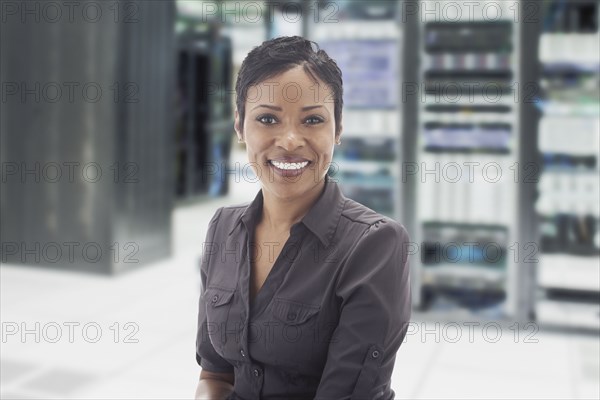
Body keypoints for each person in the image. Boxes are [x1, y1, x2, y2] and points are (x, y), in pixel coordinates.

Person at [195, 35, 411, 400]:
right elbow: (216, 375)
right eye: (267, 118)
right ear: (239, 126)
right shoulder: (223, 228)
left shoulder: (375, 245)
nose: (291, 140)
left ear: (338, 129)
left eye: (312, 119)